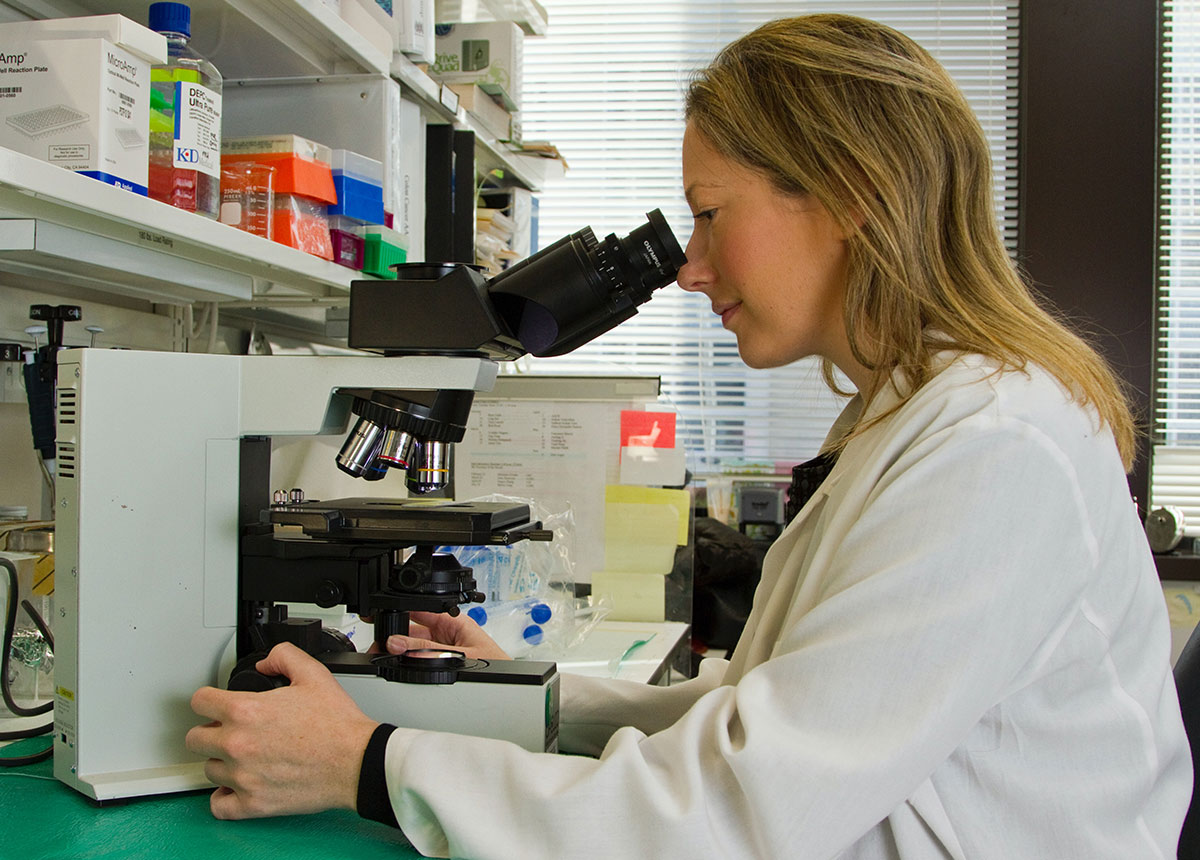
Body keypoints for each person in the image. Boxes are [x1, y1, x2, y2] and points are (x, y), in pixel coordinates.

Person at [185, 14, 1191, 858]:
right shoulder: (919, 414)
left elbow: (736, 804)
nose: (693, 267)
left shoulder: (994, 446)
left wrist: (364, 763)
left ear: (847, 194)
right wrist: (528, 687)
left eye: (710, 215)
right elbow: (760, 714)